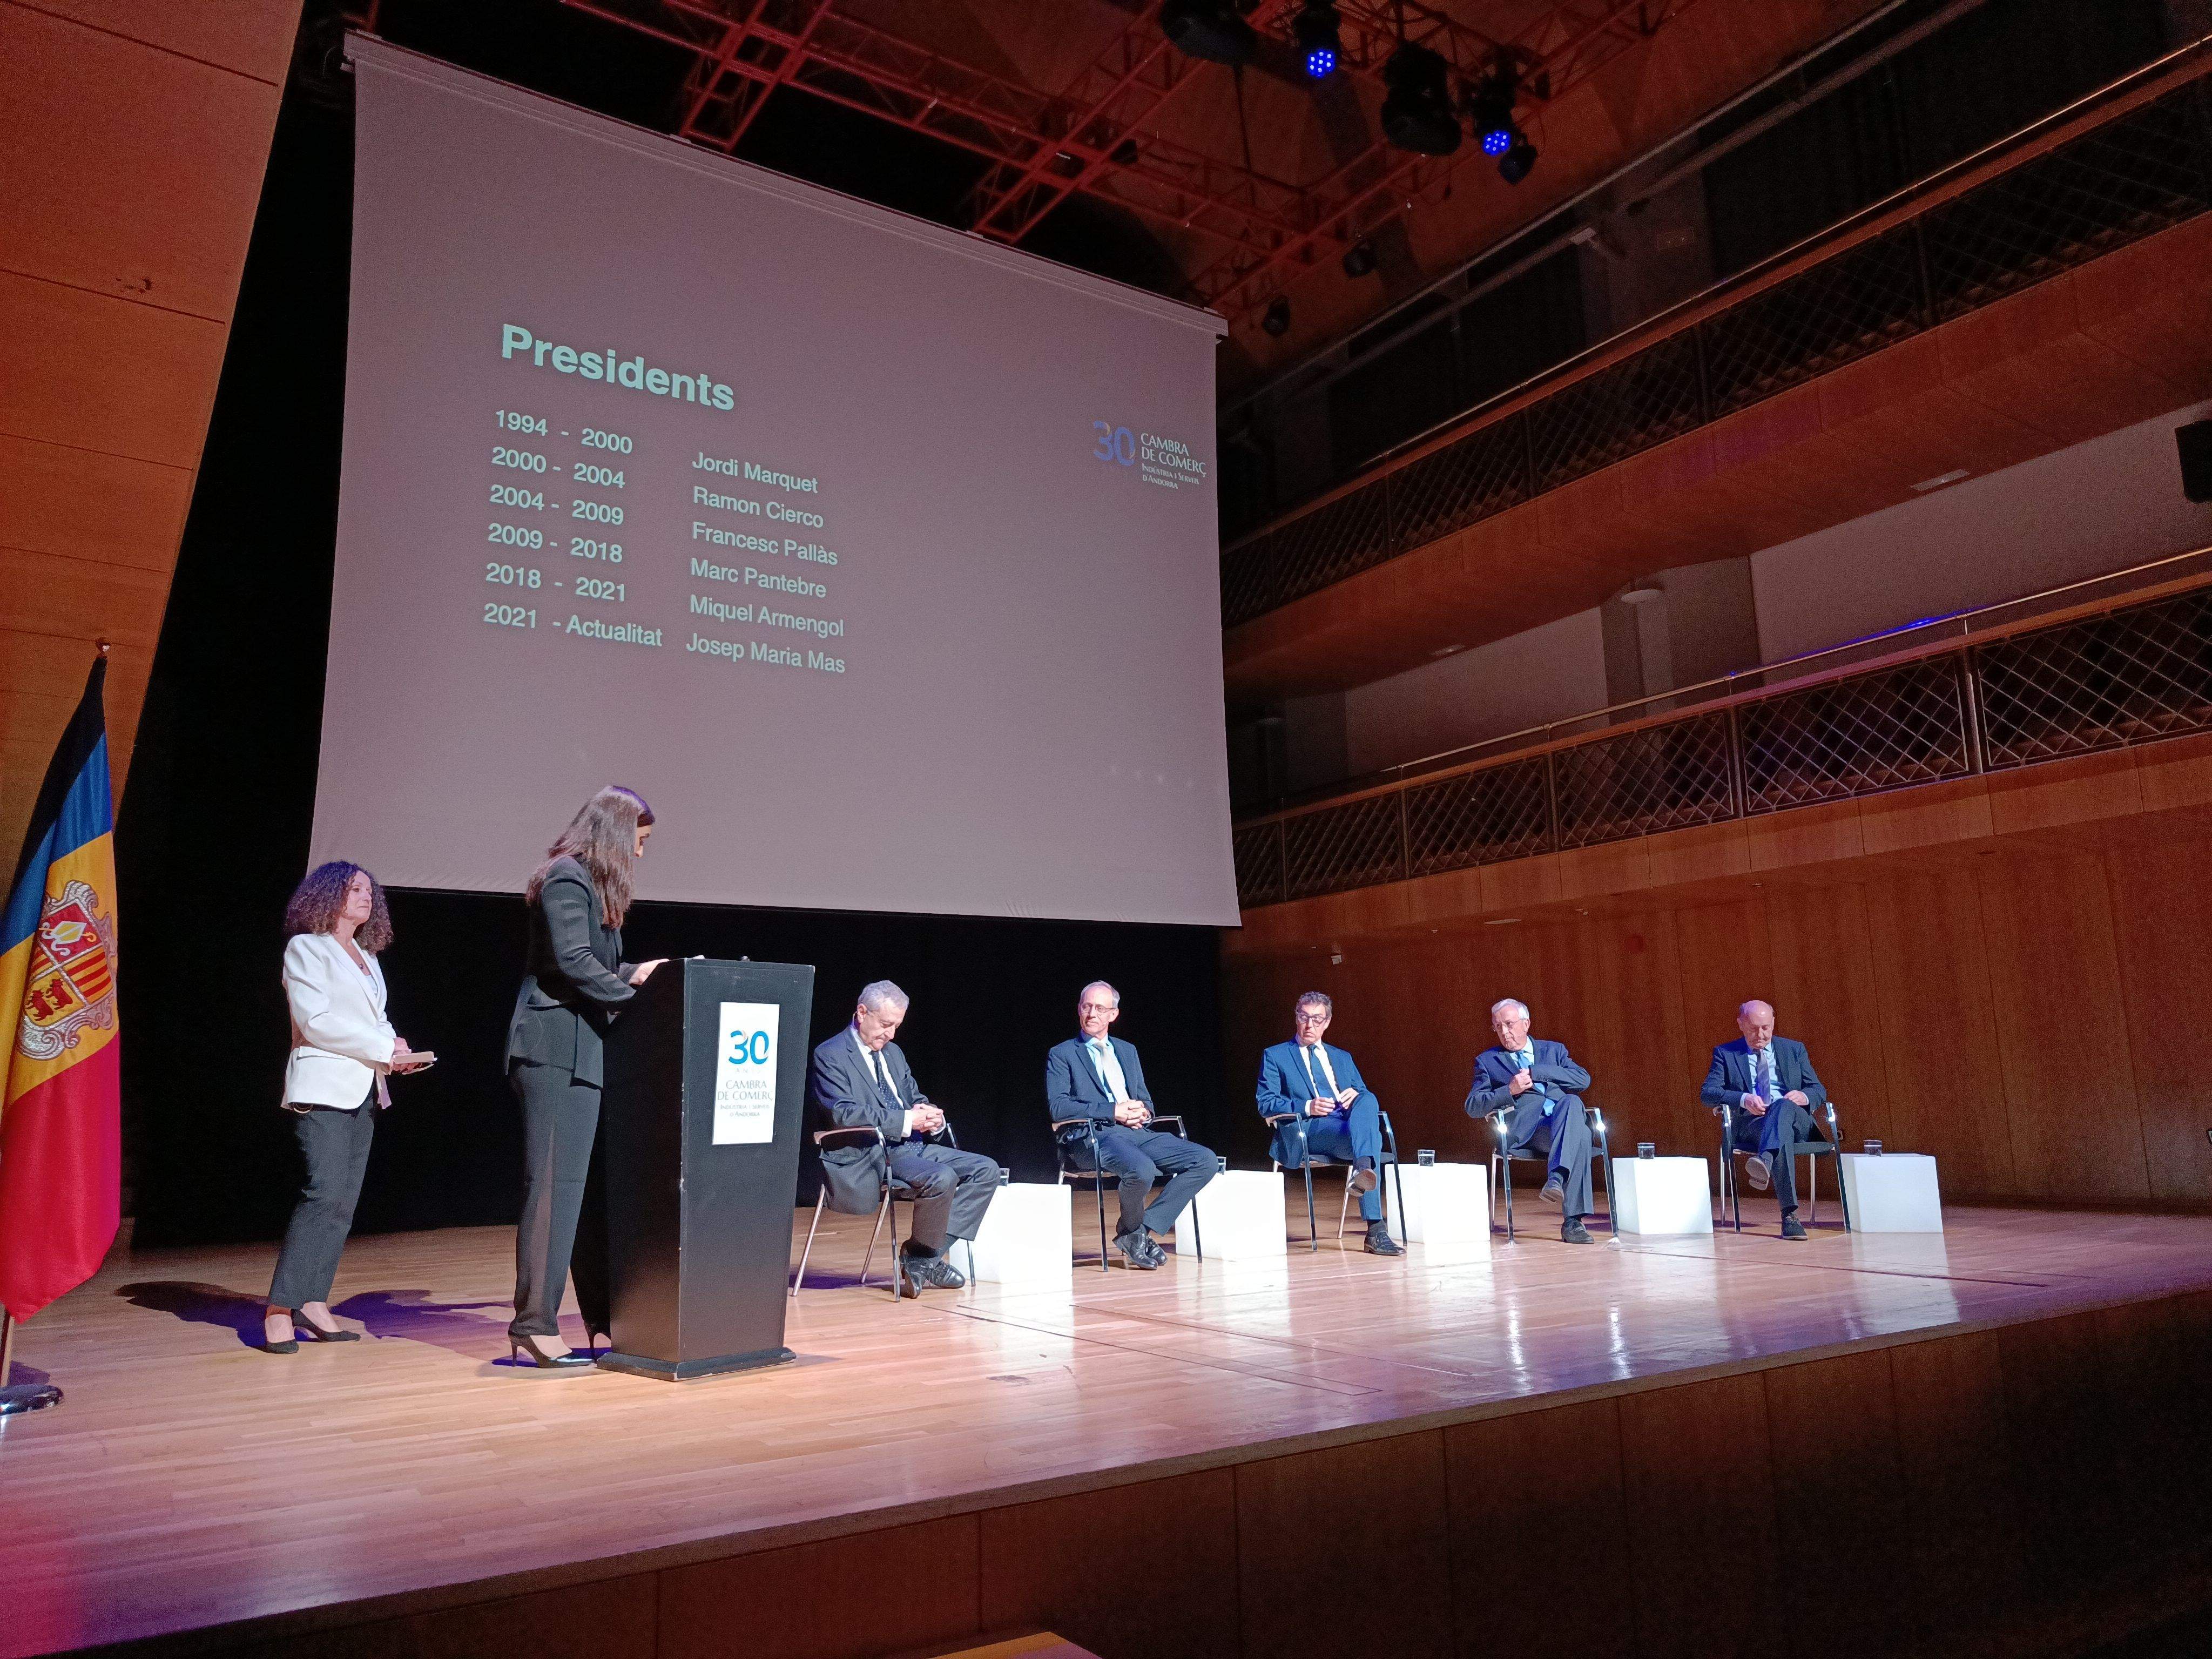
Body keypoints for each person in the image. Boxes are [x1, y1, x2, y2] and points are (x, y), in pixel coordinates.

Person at [505, 786, 666, 1368]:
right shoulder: (566, 877)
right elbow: (572, 963)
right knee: (550, 1190)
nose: (641, 855)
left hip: (582, 1049)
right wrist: (631, 997)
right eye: (639, 842)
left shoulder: (592, 886)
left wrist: (635, 973)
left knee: (575, 1194)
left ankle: (584, 1318)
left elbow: (590, 961)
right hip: (553, 1048)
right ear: (617, 834)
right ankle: (532, 1324)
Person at [262, 862, 429, 1354]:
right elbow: (317, 1021)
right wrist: (380, 1048)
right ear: (328, 895)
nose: (366, 897)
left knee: (343, 1204)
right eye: (354, 889)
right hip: (324, 1085)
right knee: (323, 1193)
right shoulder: (306, 949)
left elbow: (372, 1018)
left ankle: (314, 1301)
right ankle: (279, 1307)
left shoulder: (365, 954)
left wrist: (396, 1049)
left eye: (368, 891)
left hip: (363, 1087)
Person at [807, 981, 1003, 1296]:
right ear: (861, 1013)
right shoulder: (831, 1054)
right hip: (870, 1152)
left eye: (897, 1026)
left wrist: (930, 1115)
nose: (891, 1034)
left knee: (987, 1170)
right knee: (941, 1177)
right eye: (886, 1025)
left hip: (912, 1147)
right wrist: (905, 1120)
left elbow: (913, 1097)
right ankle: (928, 1260)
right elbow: (843, 1113)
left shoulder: (894, 1053)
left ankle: (923, 1257)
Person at [1045, 981, 1216, 1270]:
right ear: (1079, 1010)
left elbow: (1146, 1100)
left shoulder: (1127, 1051)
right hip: (1092, 1137)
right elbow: (1058, 1107)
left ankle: (1138, 1231)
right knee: (1141, 1170)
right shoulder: (1063, 1054)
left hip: (1136, 1132)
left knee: (1205, 1160)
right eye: (1086, 1007)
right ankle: (1133, 1234)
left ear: (1114, 1014)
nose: (1092, 1014)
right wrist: (1114, 1111)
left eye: (1100, 1008)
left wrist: (1143, 1113)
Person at [1255, 992, 1402, 1256]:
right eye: (1304, 1017)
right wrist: (1306, 1106)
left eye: (1317, 1019)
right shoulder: (1276, 1055)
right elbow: (1266, 1103)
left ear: (1327, 1022)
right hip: (1310, 1128)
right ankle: (1376, 1229)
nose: (1309, 1025)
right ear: (1296, 1018)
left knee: (1368, 1098)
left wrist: (1357, 1095)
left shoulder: (1342, 1057)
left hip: (1346, 1128)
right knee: (1371, 1143)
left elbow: (1364, 1105)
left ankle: (1362, 1169)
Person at [1464, 997, 1598, 1244]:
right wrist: (1510, 1090)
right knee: (1580, 1137)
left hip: (1562, 1123)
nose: (1504, 1032)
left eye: (1509, 1024)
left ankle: (1556, 1178)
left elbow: (1583, 1080)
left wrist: (1539, 1072)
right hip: (1531, 1134)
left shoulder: (1554, 1051)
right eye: (1498, 1026)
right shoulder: (1488, 1061)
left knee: (1571, 1103)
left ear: (1526, 1024)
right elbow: (1473, 1106)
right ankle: (1573, 1223)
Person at [1701, 999, 1830, 1240]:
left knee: (1782, 1106)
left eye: (1766, 1028)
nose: (1760, 1035)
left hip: (1797, 1122)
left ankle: (1766, 1160)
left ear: (1773, 1023)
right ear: (1740, 1024)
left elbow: (1819, 1090)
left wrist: (1804, 1095)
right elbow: (1708, 1094)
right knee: (1779, 1135)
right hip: (1754, 1125)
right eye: (1753, 1028)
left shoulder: (1794, 1049)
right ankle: (1790, 1217)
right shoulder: (1726, 1054)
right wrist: (1743, 1098)